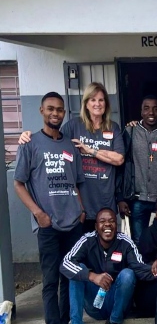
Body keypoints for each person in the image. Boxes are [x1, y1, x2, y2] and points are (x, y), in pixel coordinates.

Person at [13, 92, 86, 324]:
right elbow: (18, 183)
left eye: (60, 110)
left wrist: (81, 209)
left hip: (72, 224)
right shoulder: (30, 143)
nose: (56, 114)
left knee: (70, 278)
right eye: (51, 109)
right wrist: (38, 213)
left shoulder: (69, 145)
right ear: (42, 110)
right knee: (50, 282)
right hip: (48, 225)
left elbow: (75, 182)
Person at [20, 82, 126, 231]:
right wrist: (27, 135)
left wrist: (89, 150)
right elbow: (52, 140)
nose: (97, 104)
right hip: (80, 202)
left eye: (101, 100)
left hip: (105, 198)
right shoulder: (73, 126)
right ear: (86, 104)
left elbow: (119, 159)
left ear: (106, 104)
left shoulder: (113, 127)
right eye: (93, 100)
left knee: (104, 248)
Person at [60, 209, 157, 324]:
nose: (107, 224)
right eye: (102, 221)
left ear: (116, 224)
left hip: (116, 304)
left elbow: (139, 266)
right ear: (96, 226)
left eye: (112, 221)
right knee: (77, 270)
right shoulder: (87, 240)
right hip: (94, 303)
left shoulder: (125, 242)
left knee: (128, 274)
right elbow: (65, 263)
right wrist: (92, 276)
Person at [117, 95, 157, 241]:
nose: (151, 113)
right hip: (137, 198)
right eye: (147, 108)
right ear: (141, 112)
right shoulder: (130, 132)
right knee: (139, 240)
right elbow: (120, 166)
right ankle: (141, 265)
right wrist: (121, 198)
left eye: (155, 109)